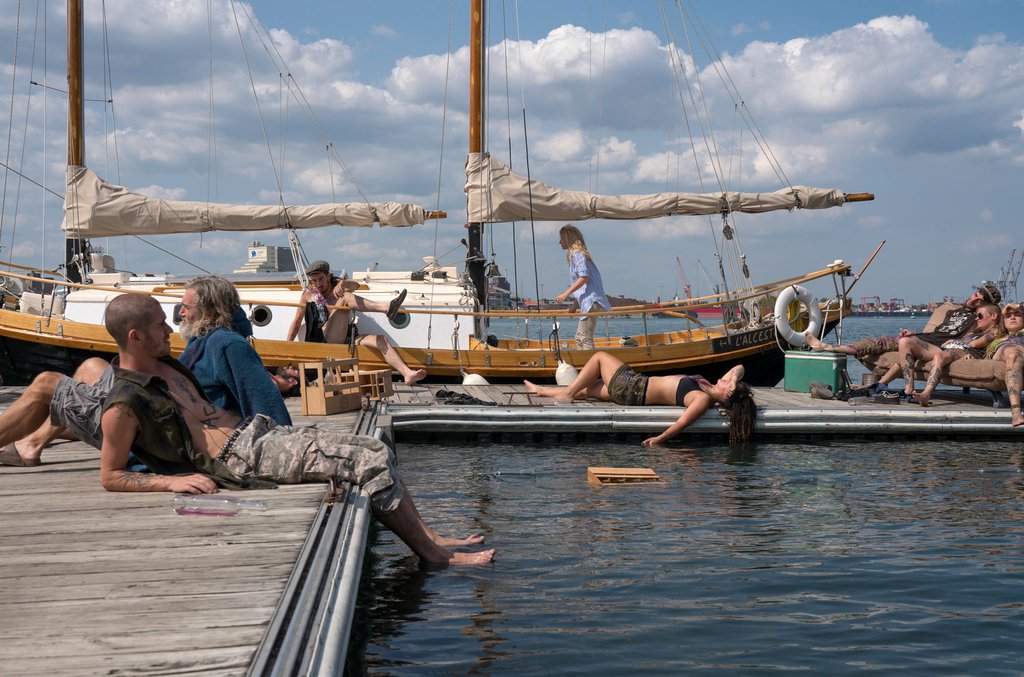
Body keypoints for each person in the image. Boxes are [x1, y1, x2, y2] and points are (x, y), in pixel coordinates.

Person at [98, 293, 492, 566]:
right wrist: (170, 483)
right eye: (160, 324)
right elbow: (111, 475)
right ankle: (433, 556)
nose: (170, 327)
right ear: (135, 336)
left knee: (374, 445)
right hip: (239, 459)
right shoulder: (125, 402)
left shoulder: (170, 364)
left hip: (258, 434)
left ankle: (432, 539)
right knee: (366, 459)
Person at [0, 277, 289, 467]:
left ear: (210, 312)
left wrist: (268, 451)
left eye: (186, 308)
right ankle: (31, 443)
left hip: (158, 428)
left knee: (46, 383)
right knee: (91, 367)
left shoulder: (227, 344)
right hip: (151, 407)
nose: (180, 315)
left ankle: (32, 442)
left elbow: (270, 410)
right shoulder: (205, 340)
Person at [523, 351, 756, 444]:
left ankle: (566, 394)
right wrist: (734, 381)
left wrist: (660, 438)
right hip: (631, 391)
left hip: (632, 387)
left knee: (599, 357)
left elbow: (683, 422)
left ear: (728, 393)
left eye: (728, 383)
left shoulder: (703, 399)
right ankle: (541, 391)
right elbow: (739, 367)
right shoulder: (708, 386)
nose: (726, 379)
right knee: (587, 389)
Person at [804, 284, 1002, 392]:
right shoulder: (953, 311)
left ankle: (903, 389)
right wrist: (913, 333)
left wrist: (965, 349)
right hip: (922, 338)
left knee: (904, 347)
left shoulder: (979, 318)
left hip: (933, 347)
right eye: (975, 294)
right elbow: (937, 331)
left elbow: (984, 333)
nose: (974, 299)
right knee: (877, 343)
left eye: (979, 301)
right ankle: (827, 347)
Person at [286, 260, 425, 385]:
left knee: (380, 340)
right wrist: (288, 346)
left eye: (321, 279)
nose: (318, 284)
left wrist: (344, 283)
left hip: (346, 338)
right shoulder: (309, 294)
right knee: (346, 298)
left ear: (328, 276)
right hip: (324, 341)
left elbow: (356, 285)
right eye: (314, 280)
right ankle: (386, 308)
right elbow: (297, 321)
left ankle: (407, 374)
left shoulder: (338, 287)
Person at [901, 302, 1003, 406]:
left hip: (962, 351)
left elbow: (975, 344)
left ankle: (926, 394)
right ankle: (908, 391)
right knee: (905, 341)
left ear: (994, 316)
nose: (976, 319)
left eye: (980, 316)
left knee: (939, 356)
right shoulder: (976, 331)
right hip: (947, 348)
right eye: (976, 316)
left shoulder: (997, 331)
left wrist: (955, 341)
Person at [554, 225, 610, 351]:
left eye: (561, 239)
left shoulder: (577, 255)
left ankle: (589, 366)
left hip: (592, 301)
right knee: (580, 337)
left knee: (584, 337)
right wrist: (575, 305)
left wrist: (566, 294)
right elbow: (584, 286)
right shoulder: (577, 255)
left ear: (567, 239)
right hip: (588, 301)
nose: (559, 242)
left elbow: (584, 277)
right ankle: (584, 364)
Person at [985, 302, 1024, 426]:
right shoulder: (997, 336)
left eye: (1017, 315)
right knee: (1012, 354)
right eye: (1008, 316)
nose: (1012, 317)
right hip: (1004, 348)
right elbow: (970, 344)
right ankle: (1016, 410)